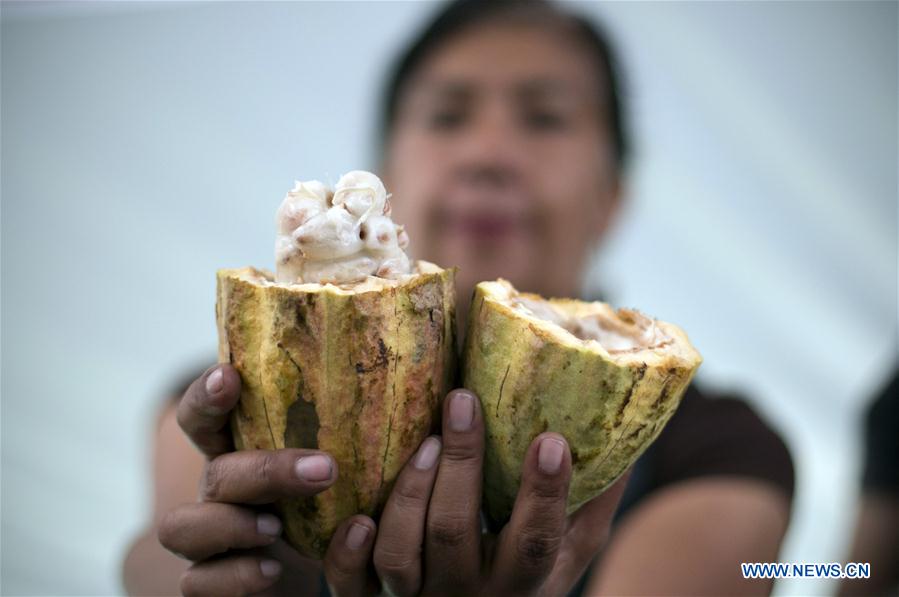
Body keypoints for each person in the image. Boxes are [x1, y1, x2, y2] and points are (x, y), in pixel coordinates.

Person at [122, 1, 795, 595]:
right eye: (446, 116)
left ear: (611, 194)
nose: (487, 152)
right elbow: (154, 560)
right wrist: (258, 569)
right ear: (385, 180)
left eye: (545, 117)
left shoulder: (723, 445)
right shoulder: (231, 402)